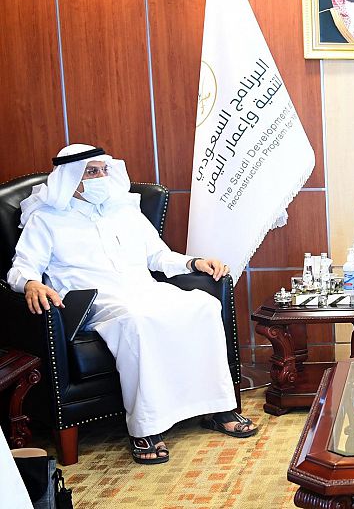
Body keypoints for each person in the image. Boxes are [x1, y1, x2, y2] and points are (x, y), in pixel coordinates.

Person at [6, 144, 258, 465]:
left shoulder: (124, 210)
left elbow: (158, 256)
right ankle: (146, 429)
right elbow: (21, 268)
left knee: (204, 306)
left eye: (103, 170)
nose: (101, 177)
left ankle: (217, 409)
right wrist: (31, 283)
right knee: (136, 320)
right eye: (92, 172)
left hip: (143, 288)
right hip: (95, 301)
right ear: (71, 178)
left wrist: (194, 262)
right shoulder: (46, 219)